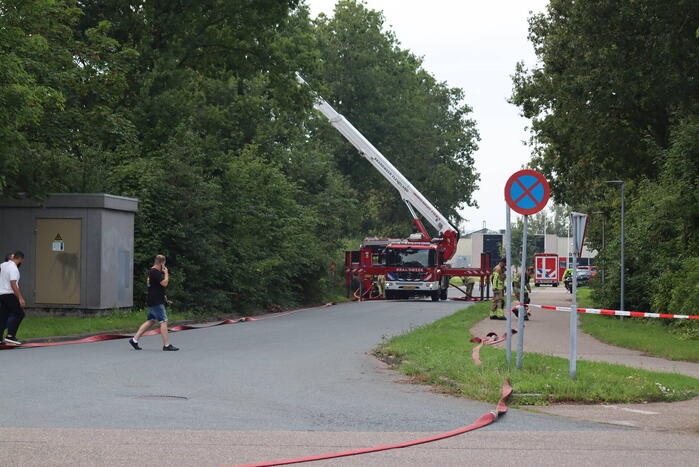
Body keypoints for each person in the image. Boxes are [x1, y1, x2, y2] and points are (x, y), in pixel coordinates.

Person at [129, 255, 179, 351]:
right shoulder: (155, 272)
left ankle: (134, 340)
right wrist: (166, 273)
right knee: (163, 321)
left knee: (151, 320)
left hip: (152, 300)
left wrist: (164, 297)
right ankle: (167, 345)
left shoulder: (151, 272)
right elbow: (164, 283)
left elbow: (156, 287)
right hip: (156, 301)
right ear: (162, 263)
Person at [0, 251, 27, 345]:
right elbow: (13, 283)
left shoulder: (3, 265)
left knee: (3, 316)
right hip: (9, 294)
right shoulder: (13, 268)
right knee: (19, 314)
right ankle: (10, 336)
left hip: (2, 294)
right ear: (21, 259)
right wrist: (20, 298)